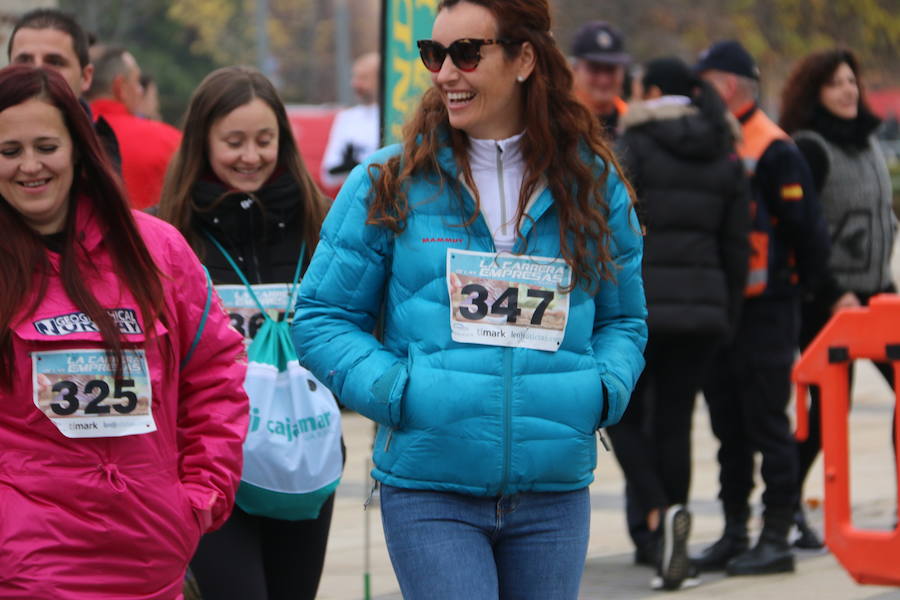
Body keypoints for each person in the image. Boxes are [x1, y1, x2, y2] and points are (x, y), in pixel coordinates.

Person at [293, 1, 647, 598]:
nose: (445, 74)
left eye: (465, 54)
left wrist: (601, 390)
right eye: (434, 55)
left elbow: (625, 320)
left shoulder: (593, 182)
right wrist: (399, 392)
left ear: (524, 58)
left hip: (554, 492)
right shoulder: (388, 180)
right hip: (431, 487)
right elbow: (322, 318)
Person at [0, 65, 248, 599]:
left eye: (46, 145)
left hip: (150, 558)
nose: (30, 166)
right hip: (25, 567)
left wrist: (200, 496)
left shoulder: (155, 251)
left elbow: (215, 377)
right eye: (8, 151)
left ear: (78, 149)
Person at [158, 66, 333, 600]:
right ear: (202, 142)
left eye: (265, 140)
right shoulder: (168, 235)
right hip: (209, 464)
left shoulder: (323, 224)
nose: (251, 156)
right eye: (234, 142)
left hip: (304, 459)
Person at [692, 40, 837, 576]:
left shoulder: (774, 149)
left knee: (768, 426)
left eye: (702, 83)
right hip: (724, 312)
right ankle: (735, 532)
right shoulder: (715, 142)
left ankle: (775, 534)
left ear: (727, 86)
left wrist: (794, 296)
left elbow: (810, 238)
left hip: (767, 313)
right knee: (728, 429)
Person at [608, 56, 750, 590]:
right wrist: (726, 310)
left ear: (649, 88)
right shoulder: (724, 148)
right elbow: (735, 244)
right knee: (675, 421)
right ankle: (675, 533)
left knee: (620, 415)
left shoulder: (635, 147)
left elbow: (612, 227)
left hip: (642, 308)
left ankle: (656, 508)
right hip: (705, 312)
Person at [780, 48, 896, 549]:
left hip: (876, 299)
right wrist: (833, 293)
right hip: (826, 305)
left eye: (852, 80)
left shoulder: (871, 142)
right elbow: (803, 232)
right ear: (815, 94)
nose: (848, 90)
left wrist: (884, 285)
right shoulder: (809, 146)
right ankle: (780, 512)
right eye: (835, 84)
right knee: (825, 418)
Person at [7, 8, 121, 171]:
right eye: (24, 61)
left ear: (86, 77)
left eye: (54, 62)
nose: (37, 73)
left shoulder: (102, 148)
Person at [87, 46, 181, 210]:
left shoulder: (65, 136)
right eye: (137, 82)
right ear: (120, 87)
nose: (140, 91)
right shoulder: (171, 141)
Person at [320, 52, 381, 190]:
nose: (355, 83)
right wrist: (347, 166)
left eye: (363, 78)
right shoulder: (346, 118)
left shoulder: (394, 115)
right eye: (354, 77)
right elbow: (327, 176)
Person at [570, 20, 630, 139]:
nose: (604, 80)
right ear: (574, 70)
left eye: (610, 69)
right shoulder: (560, 122)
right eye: (594, 69)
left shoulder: (633, 123)